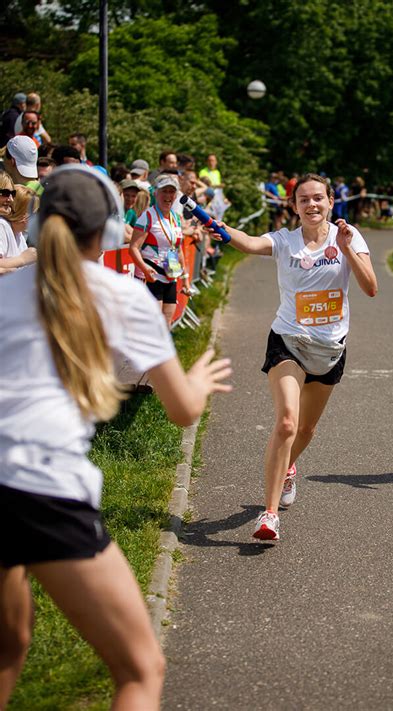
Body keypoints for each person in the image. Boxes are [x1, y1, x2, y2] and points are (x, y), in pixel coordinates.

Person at [0, 165, 232, 709]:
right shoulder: (123, 296)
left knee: (8, 645)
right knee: (139, 669)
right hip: (41, 487)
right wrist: (198, 379)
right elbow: (180, 410)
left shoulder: (6, 289)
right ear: (108, 228)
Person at [208, 173, 377, 541]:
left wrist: (347, 248)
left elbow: (370, 287)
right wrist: (222, 229)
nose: (312, 205)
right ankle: (268, 515)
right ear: (294, 206)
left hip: (330, 347)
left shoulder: (348, 237)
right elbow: (252, 244)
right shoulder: (284, 240)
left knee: (306, 429)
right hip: (288, 340)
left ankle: (288, 468)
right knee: (287, 422)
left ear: (331, 201)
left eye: (318, 198)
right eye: (304, 199)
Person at [129, 175, 192, 328]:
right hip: (152, 276)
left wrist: (185, 280)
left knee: (166, 325)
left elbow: (178, 251)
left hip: (170, 275)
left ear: (176, 196)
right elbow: (133, 248)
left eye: (172, 192)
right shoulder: (147, 216)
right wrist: (144, 269)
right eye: (164, 191)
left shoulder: (176, 218)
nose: (168, 196)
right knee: (152, 325)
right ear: (156, 193)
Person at [0, 173, 37, 271]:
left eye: (12, 194)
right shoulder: (2, 225)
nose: (11, 199)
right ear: (21, 212)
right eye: (5, 193)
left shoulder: (18, 234)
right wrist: (22, 259)